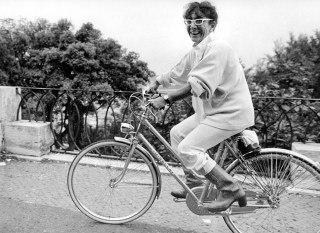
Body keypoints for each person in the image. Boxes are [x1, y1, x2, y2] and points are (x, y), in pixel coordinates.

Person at [148, 1, 254, 212]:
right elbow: (178, 71)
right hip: (210, 112)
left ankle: (230, 188)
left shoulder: (218, 48)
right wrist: (157, 82)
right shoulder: (198, 50)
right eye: (189, 21)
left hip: (229, 113)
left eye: (199, 21)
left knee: (188, 148)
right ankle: (195, 184)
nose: (192, 26)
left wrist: (166, 100)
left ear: (212, 25)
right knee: (177, 134)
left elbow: (196, 84)